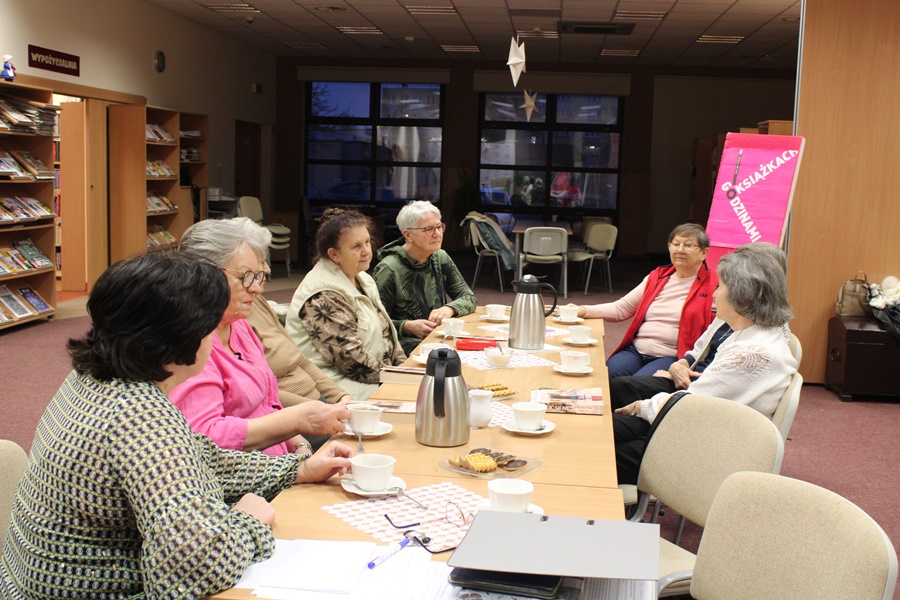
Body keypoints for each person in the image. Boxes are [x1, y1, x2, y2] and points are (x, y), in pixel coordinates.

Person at [0, 252, 354, 599]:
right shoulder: (140, 416)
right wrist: (249, 523)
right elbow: (196, 565)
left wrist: (297, 469)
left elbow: (198, 460)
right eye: (210, 326)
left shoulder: (95, 378)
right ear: (183, 337)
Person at [612, 245, 797, 484]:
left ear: (741, 298)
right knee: (606, 429)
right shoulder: (750, 333)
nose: (714, 293)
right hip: (703, 431)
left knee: (603, 447)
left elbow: (687, 407)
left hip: (702, 451)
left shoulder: (751, 353)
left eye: (720, 287)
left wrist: (642, 407)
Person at [172, 218, 349, 456]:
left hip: (281, 461)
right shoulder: (191, 341)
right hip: (246, 480)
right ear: (205, 276)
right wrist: (296, 421)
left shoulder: (240, 326)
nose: (257, 288)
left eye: (258, 276)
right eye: (245, 277)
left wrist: (300, 446)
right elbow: (206, 436)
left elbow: (269, 403)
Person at [608, 242, 788, 409]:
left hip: (698, 392)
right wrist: (679, 366)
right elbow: (698, 350)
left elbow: (706, 395)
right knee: (616, 384)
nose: (715, 294)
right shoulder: (730, 313)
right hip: (690, 378)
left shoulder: (758, 339)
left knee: (623, 398)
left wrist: (642, 408)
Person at [232, 217, 355, 410]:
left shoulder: (257, 303)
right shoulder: (231, 319)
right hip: (291, 413)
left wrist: (340, 396)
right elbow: (259, 391)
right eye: (258, 263)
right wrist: (324, 409)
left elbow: (300, 359)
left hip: (315, 401)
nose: (267, 269)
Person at [285, 208, 405, 400]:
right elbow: (350, 361)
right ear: (334, 255)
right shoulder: (323, 294)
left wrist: (404, 368)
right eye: (356, 246)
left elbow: (388, 334)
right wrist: (400, 378)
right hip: (336, 386)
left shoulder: (363, 278)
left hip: (370, 377)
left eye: (367, 242)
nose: (367, 251)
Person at [569, 223, 717, 378]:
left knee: (634, 386)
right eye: (676, 244)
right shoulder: (657, 277)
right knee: (606, 375)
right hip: (636, 350)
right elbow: (621, 309)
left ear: (703, 253)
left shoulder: (715, 285)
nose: (680, 250)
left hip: (672, 357)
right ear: (669, 247)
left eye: (688, 245)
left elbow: (719, 331)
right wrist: (583, 310)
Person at [372, 200, 477, 355]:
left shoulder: (440, 257)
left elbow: (468, 297)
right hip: (404, 344)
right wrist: (407, 326)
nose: (437, 234)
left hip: (438, 337)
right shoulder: (389, 268)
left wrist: (449, 308)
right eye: (428, 229)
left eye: (439, 227)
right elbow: (373, 322)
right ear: (408, 234)